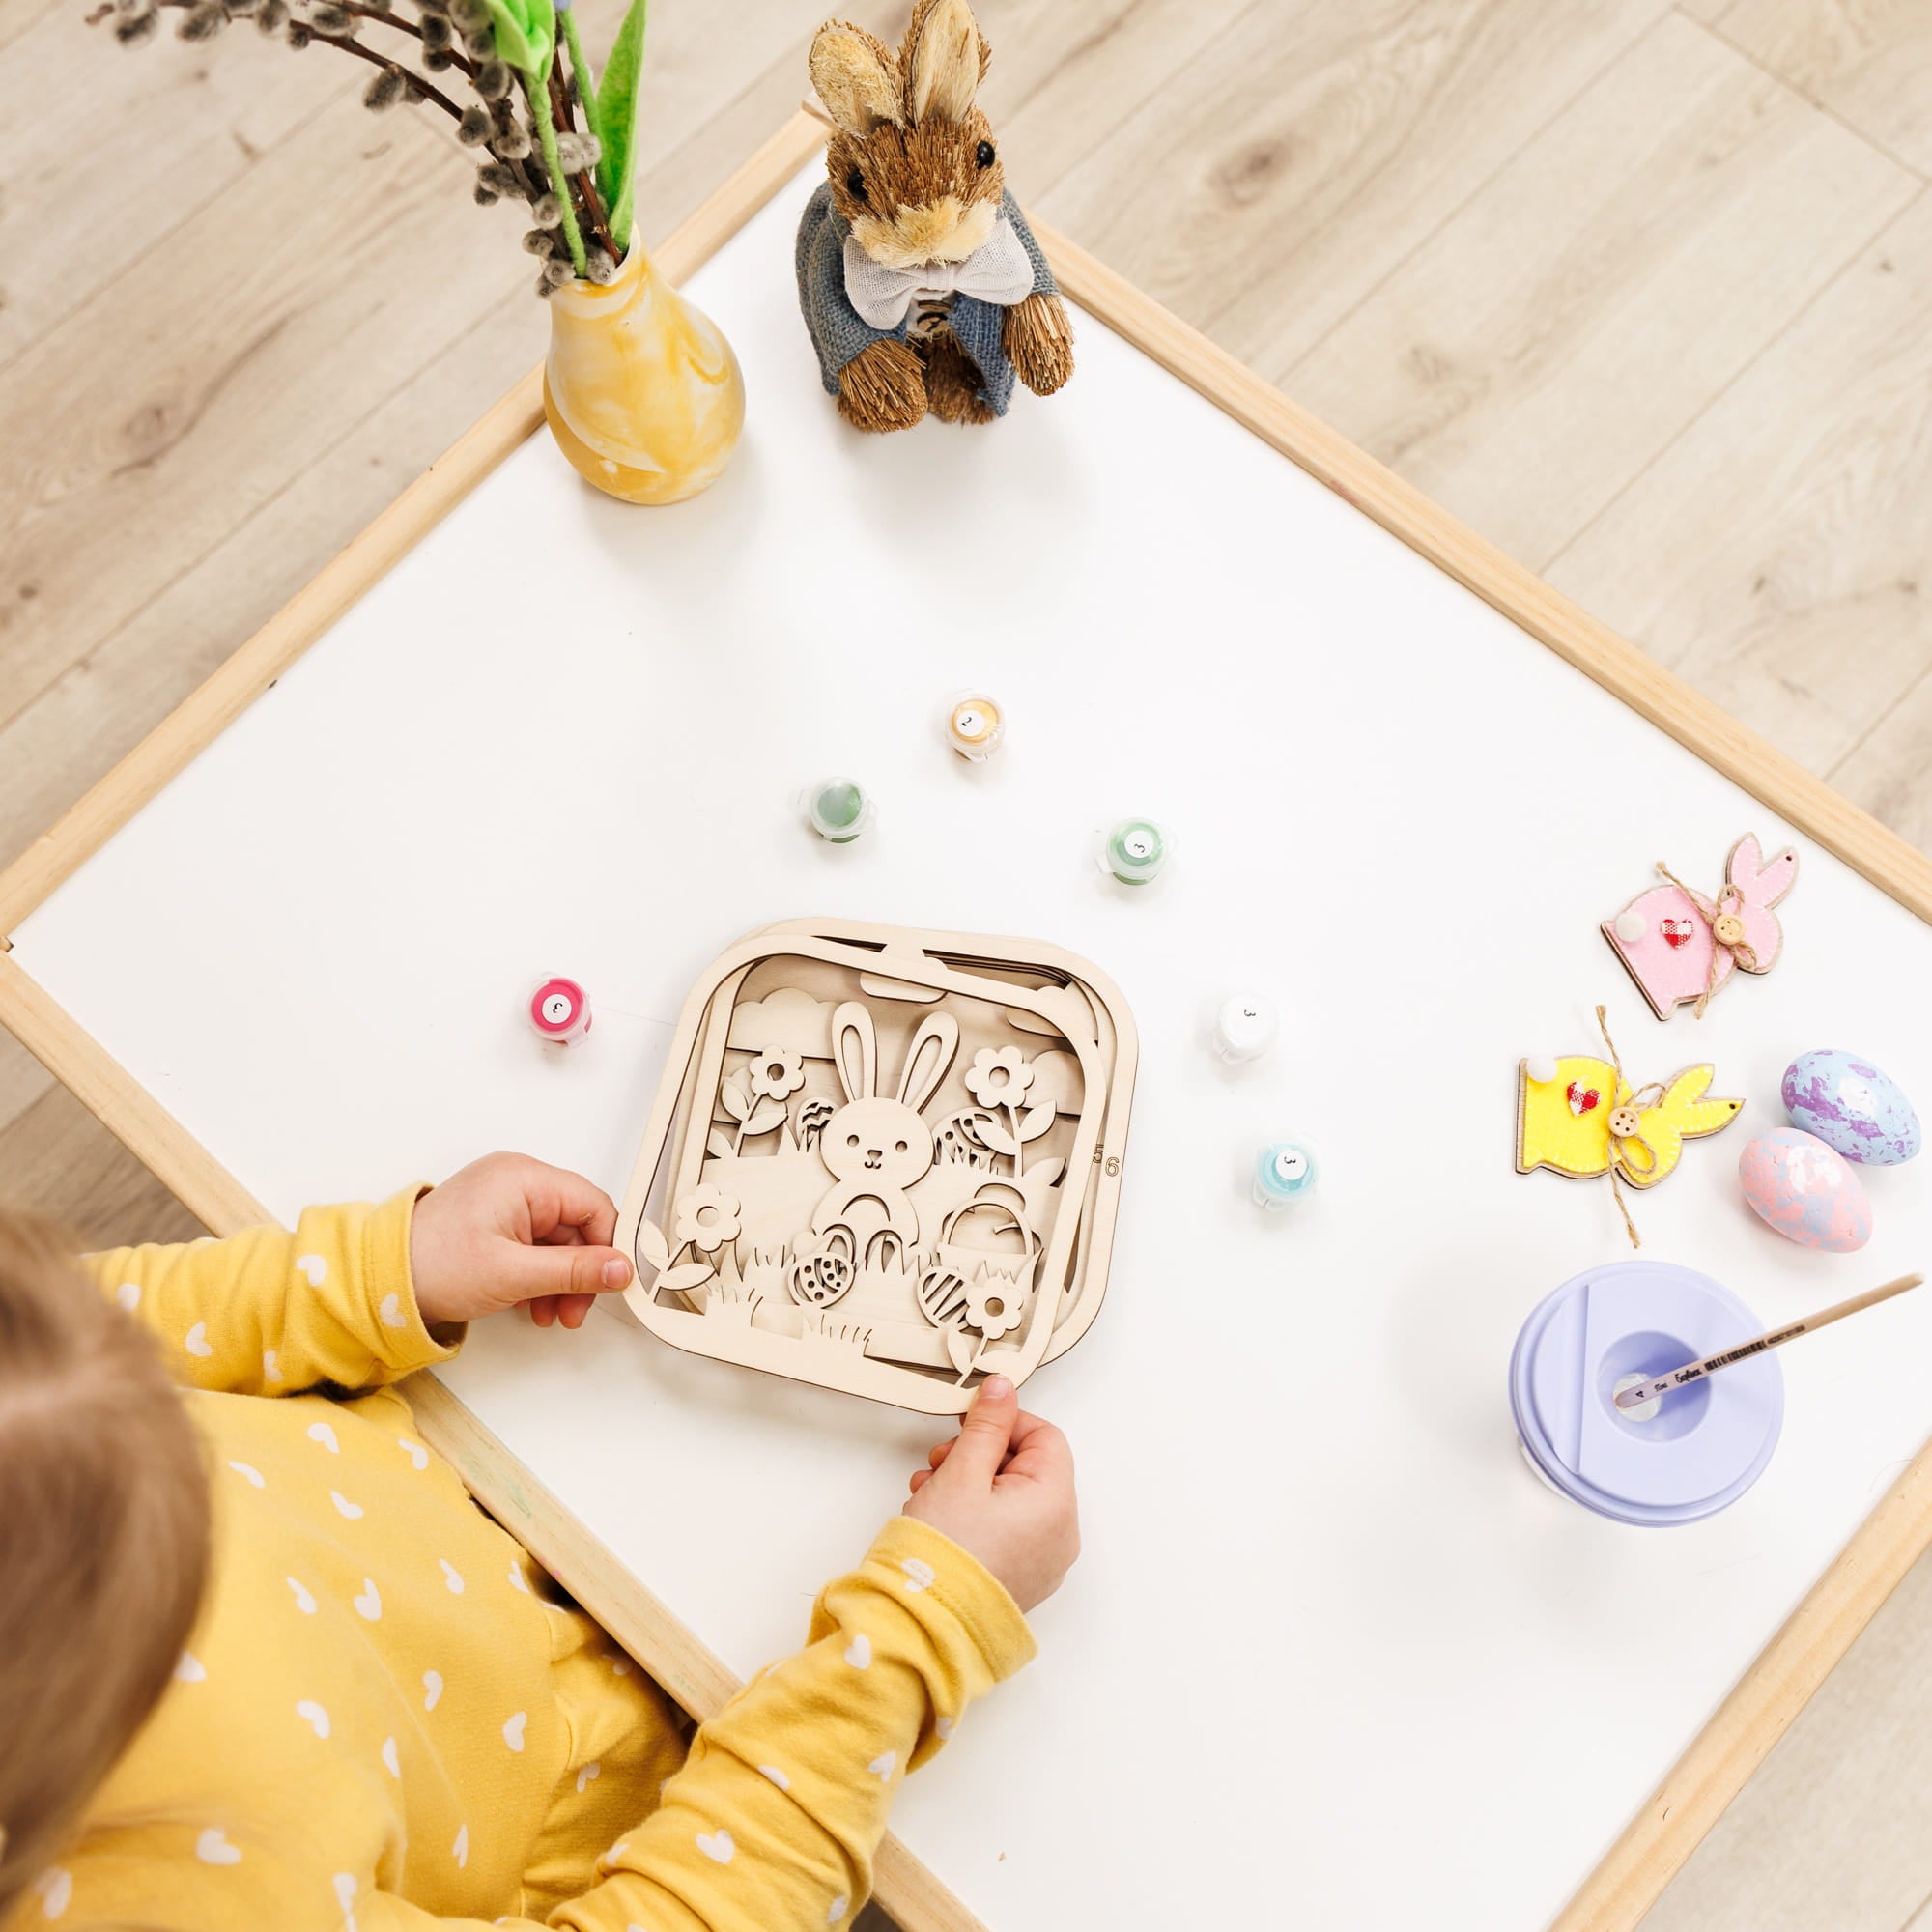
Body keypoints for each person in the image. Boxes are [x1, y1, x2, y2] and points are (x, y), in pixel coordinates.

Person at [0, 1152, 1078, 1929]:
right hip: (638, 1781)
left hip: (492, 1464)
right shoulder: (183, 1900)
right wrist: (920, 1630)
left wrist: (392, 1265)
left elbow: (107, 1316)